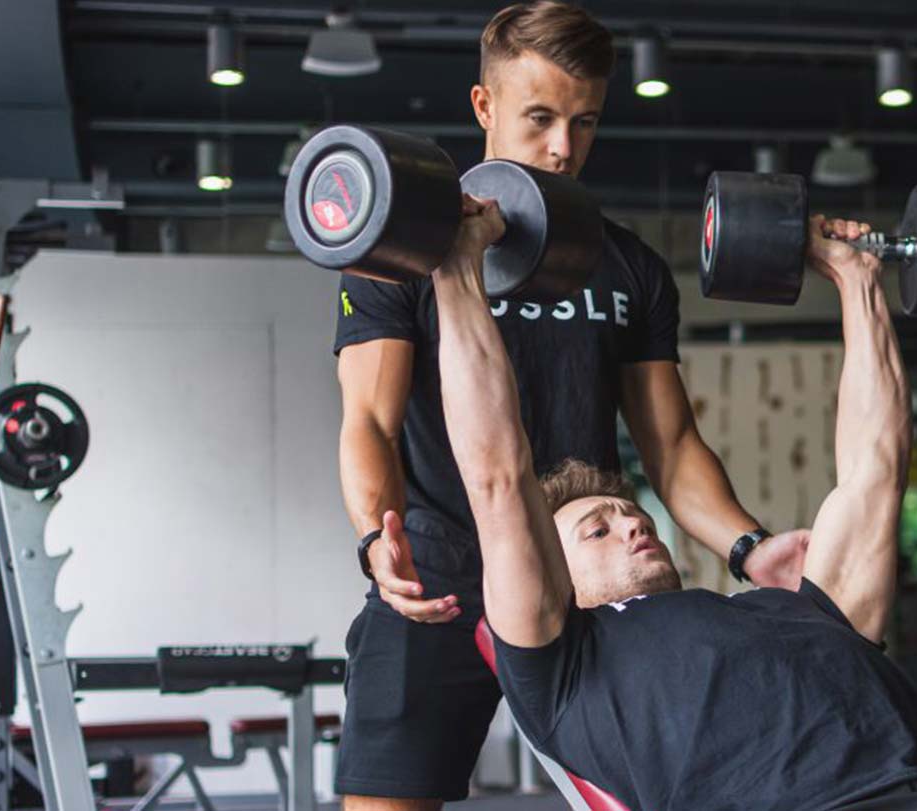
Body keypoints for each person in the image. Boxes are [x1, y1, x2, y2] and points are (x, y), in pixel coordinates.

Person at [428, 200, 917, 811]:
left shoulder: (798, 607)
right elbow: (497, 472)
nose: (632, 520)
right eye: (596, 528)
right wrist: (458, 270)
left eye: (627, 512)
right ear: (551, 578)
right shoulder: (564, 662)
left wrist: (857, 279)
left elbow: (876, 467)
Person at [330, 3, 805, 807]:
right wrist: (378, 539)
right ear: (484, 106)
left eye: (584, 122)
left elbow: (672, 446)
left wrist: (748, 546)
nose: (563, 147)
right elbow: (369, 421)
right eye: (540, 118)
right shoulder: (404, 250)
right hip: (439, 578)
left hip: (586, 585)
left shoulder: (627, 266)